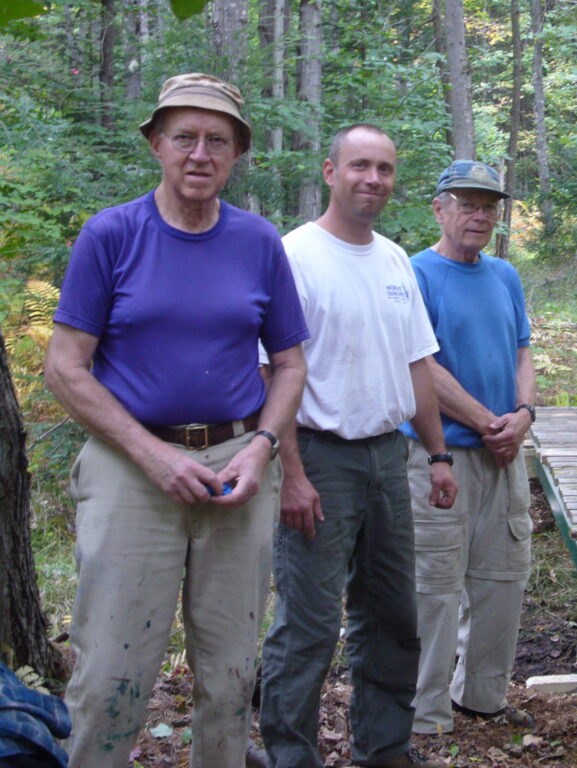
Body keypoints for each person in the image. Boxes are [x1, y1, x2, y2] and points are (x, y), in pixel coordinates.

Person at [44, 73, 309, 768]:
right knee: (109, 677)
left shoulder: (258, 243)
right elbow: (66, 367)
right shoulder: (111, 235)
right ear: (157, 144)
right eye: (184, 137)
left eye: (216, 140)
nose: (199, 153)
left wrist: (260, 449)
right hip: (131, 467)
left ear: (236, 154)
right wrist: (149, 454)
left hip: (235, 473)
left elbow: (289, 364)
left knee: (229, 678)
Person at [258, 125, 456, 768]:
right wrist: (290, 473)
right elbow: (273, 372)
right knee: (309, 624)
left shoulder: (396, 260)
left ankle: (385, 748)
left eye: (385, 169)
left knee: (392, 616)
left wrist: (439, 455)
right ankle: (291, 755)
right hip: (319, 456)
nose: (373, 179)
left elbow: (417, 365)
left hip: (387, 457)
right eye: (360, 166)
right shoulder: (294, 256)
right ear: (330, 171)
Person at [400, 161, 536, 735]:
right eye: (466, 203)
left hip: (505, 456)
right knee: (433, 587)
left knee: (504, 578)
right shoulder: (416, 274)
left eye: (488, 206)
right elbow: (420, 367)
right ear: (439, 208)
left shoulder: (504, 275)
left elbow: (524, 348)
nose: (479, 215)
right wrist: (487, 421)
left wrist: (523, 416)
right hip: (440, 459)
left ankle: (482, 698)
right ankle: (424, 715)